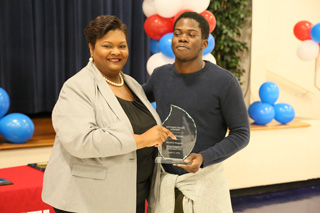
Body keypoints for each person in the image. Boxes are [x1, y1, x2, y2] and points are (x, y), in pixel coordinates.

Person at [41, 15, 175, 213]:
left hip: (131, 197)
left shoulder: (133, 84)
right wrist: (140, 140)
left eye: (122, 46)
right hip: (87, 201)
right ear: (91, 48)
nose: (116, 52)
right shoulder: (77, 87)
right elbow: (81, 141)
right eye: (107, 46)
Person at [143, 12, 250, 212]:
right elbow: (135, 100)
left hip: (204, 182)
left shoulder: (224, 82)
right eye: (178, 33)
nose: (182, 38)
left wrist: (204, 157)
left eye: (191, 34)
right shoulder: (160, 76)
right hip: (165, 184)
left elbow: (241, 133)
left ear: (204, 43)